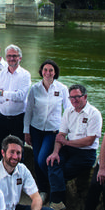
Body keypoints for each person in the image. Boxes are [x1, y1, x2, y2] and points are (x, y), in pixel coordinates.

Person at [46, 84, 102, 210]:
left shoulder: (94, 114)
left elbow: (89, 140)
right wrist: (55, 153)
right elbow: (61, 135)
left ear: (85, 96)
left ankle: (55, 208)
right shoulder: (68, 111)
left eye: (77, 97)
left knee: (61, 173)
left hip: (86, 153)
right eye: (71, 98)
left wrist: (67, 142)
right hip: (69, 148)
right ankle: (57, 206)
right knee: (52, 162)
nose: (74, 100)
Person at [23, 60, 70, 200]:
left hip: (53, 130)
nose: (48, 73)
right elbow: (29, 111)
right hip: (36, 129)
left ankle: (54, 184)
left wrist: (66, 132)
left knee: (43, 159)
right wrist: (26, 131)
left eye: (51, 70)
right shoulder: (35, 89)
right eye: (45, 70)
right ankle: (43, 190)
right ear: (41, 71)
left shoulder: (62, 89)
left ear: (55, 72)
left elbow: (67, 110)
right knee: (37, 161)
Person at [0, 44, 30, 165]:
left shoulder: (25, 75)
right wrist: (6, 98)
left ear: (20, 58)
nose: (11, 58)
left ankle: (18, 177)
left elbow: (21, 96)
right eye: (9, 56)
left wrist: (2, 93)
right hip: (2, 116)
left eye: (14, 56)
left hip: (18, 118)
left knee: (18, 150)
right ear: (5, 57)